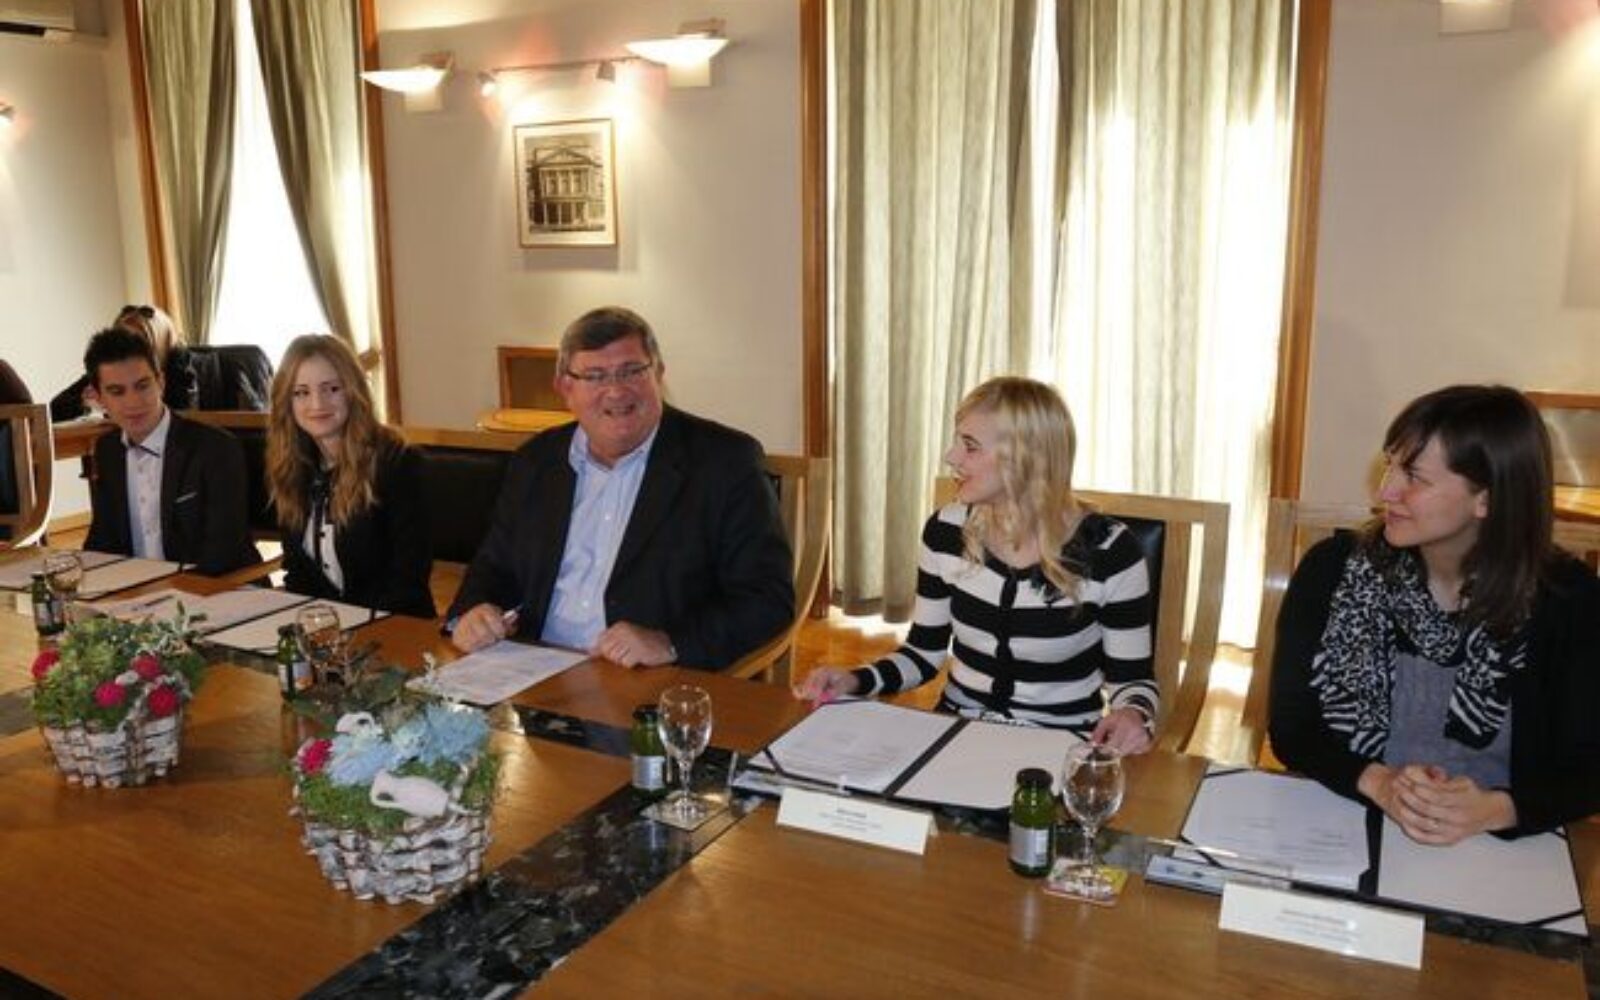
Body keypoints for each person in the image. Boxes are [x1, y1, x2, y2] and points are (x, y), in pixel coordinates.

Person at [1269, 385, 1600, 844]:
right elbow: (1292, 728)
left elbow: (1588, 769)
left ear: (1487, 499)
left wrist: (1495, 809)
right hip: (1348, 824)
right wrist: (1379, 783)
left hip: (1497, 849)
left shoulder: (1568, 600)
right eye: (1390, 464)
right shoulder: (1332, 570)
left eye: (1414, 477)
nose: (1386, 490)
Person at [796, 377, 1159, 753]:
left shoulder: (1110, 551)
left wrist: (1134, 714)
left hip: (1060, 745)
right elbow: (923, 653)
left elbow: (1133, 680)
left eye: (969, 446)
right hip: (957, 731)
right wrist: (855, 681)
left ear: (1026, 458)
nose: (951, 457)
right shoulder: (946, 531)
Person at [446, 306, 793, 669]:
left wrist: (671, 643)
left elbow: (767, 598)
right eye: (595, 376)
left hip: (649, 681)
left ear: (658, 373)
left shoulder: (723, 462)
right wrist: (473, 612)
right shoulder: (535, 461)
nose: (615, 391)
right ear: (566, 388)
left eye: (631, 371)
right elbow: (494, 565)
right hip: (531, 669)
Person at [265, 334, 434, 617]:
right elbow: (297, 573)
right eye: (301, 392)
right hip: (323, 627)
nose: (317, 404)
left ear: (353, 390)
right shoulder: (292, 467)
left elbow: (407, 581)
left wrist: (351, 628)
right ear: (286, 402)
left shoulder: (398, 463)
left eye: (331, 389)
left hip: (393, 626)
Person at [82, 327, 259, 575]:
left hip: (217, 587)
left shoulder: (216, 448)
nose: (133, 402)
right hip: (137, 591)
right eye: (117, 392)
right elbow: (102, 541)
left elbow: (223, 551)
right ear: (99, 398)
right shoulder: (107, 450)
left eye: (142, 386)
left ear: (161, 382)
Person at [52, 305, 198, 421]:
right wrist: (84, 402)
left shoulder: (179, 365)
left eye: (137, 343)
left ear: (158, 344)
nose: (127, 351)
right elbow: (53, 411)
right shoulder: (110, 367)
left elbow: (183, 418)